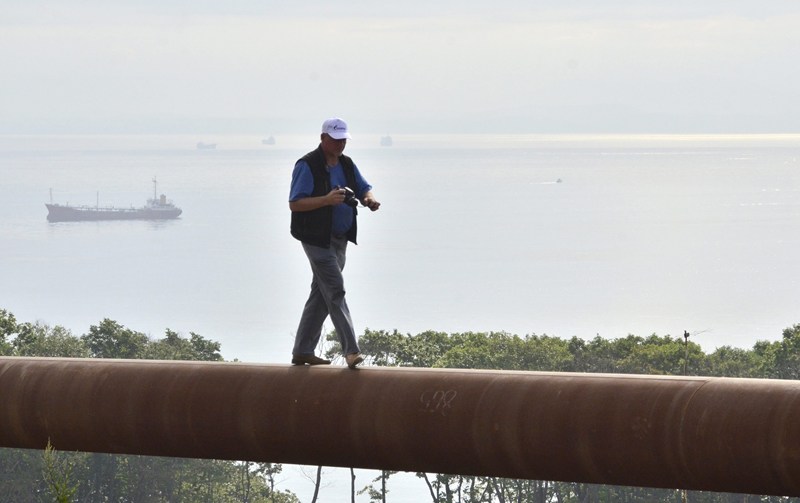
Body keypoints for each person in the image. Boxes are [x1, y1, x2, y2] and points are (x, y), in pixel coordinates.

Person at [288, 118, 381, 369]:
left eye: (343, 140)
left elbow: (364, 187)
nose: (340, 144)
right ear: (323, 138)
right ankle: (351, 351)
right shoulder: (308, 165)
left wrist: (369, 199)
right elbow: (295, 203)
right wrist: (326, 200)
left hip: (340, 240)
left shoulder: (347, 164)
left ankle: (302, 350)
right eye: (336, 139)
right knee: (336, 290)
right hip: (316, 240)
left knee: (321, 294)